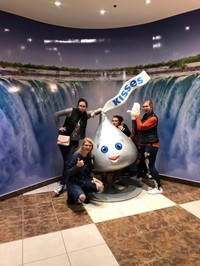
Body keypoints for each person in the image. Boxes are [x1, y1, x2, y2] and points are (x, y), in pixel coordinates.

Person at [54, 98, 101, 196]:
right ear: (77, 105)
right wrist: (59, 127)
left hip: (74, 142)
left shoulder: (86, 115)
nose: (82, 108)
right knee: (66, 163)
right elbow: (56, 114)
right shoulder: (71, 111)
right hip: (64, 140)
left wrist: (93, 113)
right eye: (80, 105)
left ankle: (62, 184)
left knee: (67, 163)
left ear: (86, 107)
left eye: (84, 106)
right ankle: (69, 180)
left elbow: (100, 110)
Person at [129, 100, 163, 194]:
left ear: (151, 106)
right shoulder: (146, 116)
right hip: (144, 145)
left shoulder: (153, 118)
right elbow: (137, 126)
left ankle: (159, 188)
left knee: (150, 166)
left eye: (146, 106)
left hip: (151, 146)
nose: (144, 108)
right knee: (140, 163)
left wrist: (136, 115)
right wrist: (133, 117)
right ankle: (139, 178)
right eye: (143, 106)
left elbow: (141, 127)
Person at [66, 137, 104, 204]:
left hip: (84, 180)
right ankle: (74, 195)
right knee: (82, 197)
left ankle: (84, 191)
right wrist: (77, 167)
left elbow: (91, 170)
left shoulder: (91, 156)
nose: (88, 147)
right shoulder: (76, 155)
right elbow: (68, 172)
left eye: (90, 145)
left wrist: (93, 178)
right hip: (73, 181)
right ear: (82, 145)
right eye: (86, 145)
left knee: (100, 186)